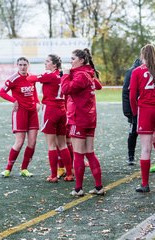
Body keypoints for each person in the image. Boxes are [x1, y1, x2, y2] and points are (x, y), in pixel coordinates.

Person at [61, 48, 104, 196]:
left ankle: (78, 189)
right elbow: (98, 86)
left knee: (79, 154)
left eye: (73, 59)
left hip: (79, 118)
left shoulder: (81, 76)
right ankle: (98, 187)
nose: (70, 62)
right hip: (89, 118)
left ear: (81, 60)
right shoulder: (88, 74)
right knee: (90, 153)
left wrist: (66, 75)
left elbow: (65, 89)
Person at [129, 44, 155, 193]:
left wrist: (135, 113)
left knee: (146, 149)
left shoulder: (137, 72)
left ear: (143, 56)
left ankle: (145, 184)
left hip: (146, 110)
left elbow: (132, 96)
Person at [27, 54, 73, 183]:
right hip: (62, 110)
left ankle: (53, 175)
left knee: (51, 145)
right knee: (63, 144)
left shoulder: (50, 76)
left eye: (47, 61)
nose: (45, 63)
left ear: (54, 64)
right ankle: (69, 173)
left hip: (50, 110)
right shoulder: (63, 75)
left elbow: (31, 78)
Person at [0, 57, 40, 177]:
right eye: (20, 65)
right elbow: (1, 92)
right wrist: (14, 100)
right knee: (20, 142)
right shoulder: (13, 79)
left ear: (28, 65)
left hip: (32, 112)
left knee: (32, 142)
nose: (22, 67)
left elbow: (34, 92)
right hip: (20, 112)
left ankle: (24, 169)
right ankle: (8, 169)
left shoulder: (32, 77)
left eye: (24, 65)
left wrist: (37, 102)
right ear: (17, 65)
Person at [122, 58, 142, 165]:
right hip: (135, 108)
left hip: (146, 107)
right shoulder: (132, 72)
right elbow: (126, 92)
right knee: (133, 132)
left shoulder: (150, 69)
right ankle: (130, 156)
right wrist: (128, 111)